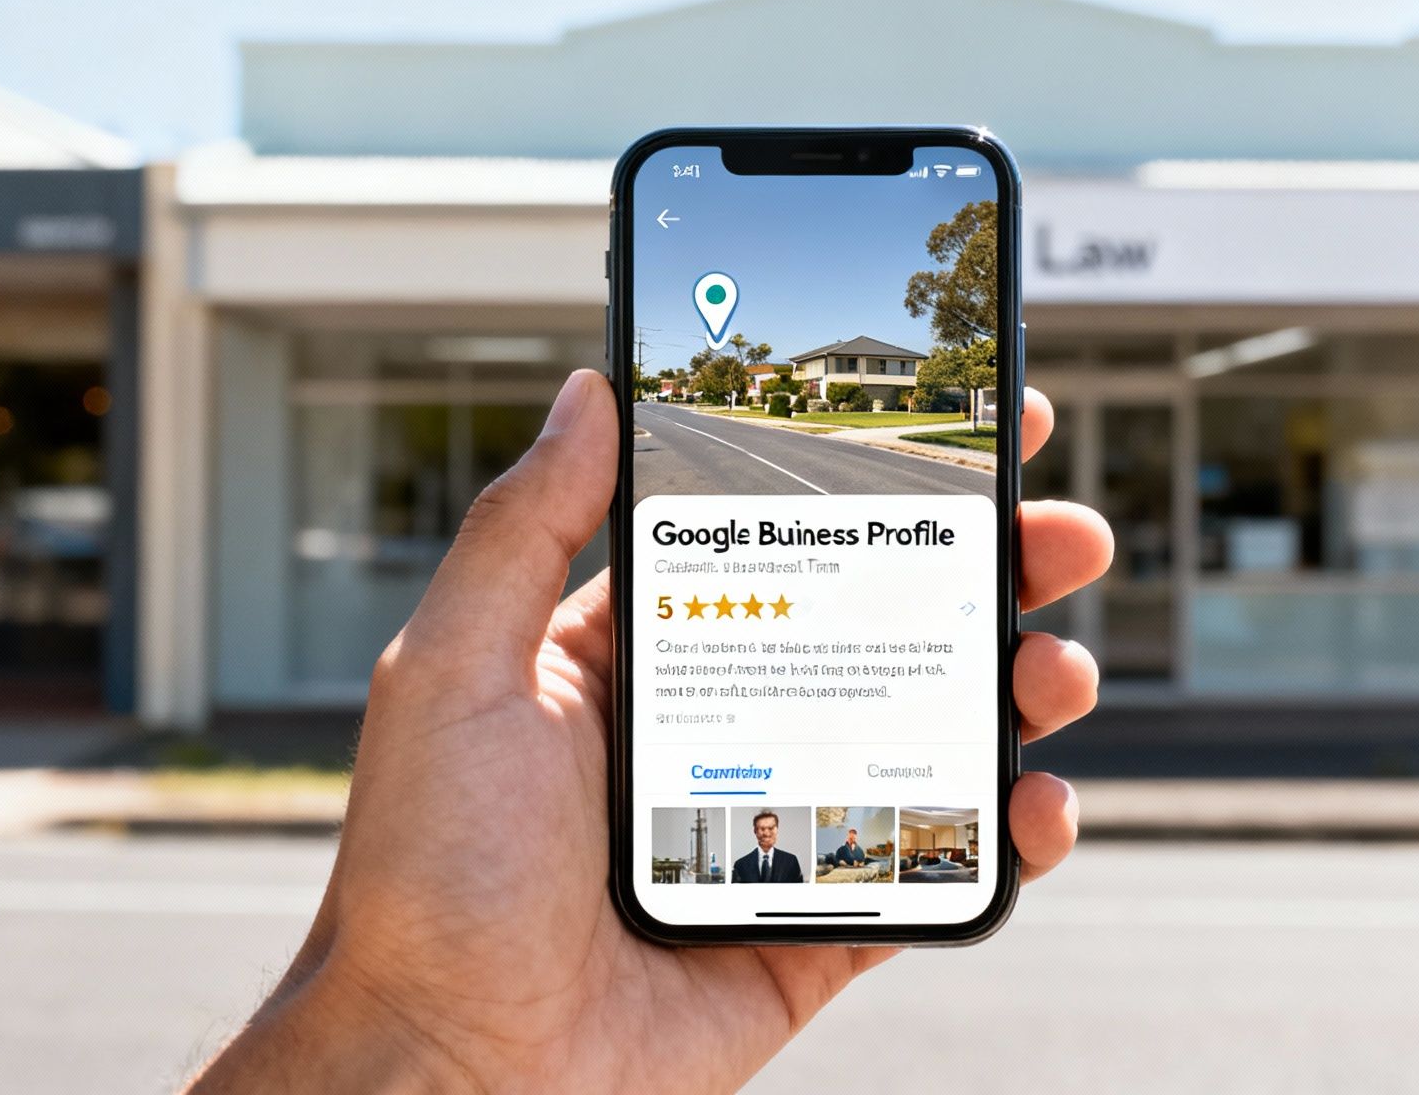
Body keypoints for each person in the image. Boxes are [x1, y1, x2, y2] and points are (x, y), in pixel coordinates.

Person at [182, 370, 1110, 1093]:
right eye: (766, 828)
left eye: (769, 827)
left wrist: (420, 1044)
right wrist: (426, 1030)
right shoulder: (743, 865)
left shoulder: (772, 866)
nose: (770, 832)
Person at [732, 810, 804, 884]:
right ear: (755, 831)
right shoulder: (740, 865)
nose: (766, 833)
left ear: (777, 830)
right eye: (762, 829)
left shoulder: (791, 861)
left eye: (771, 828)